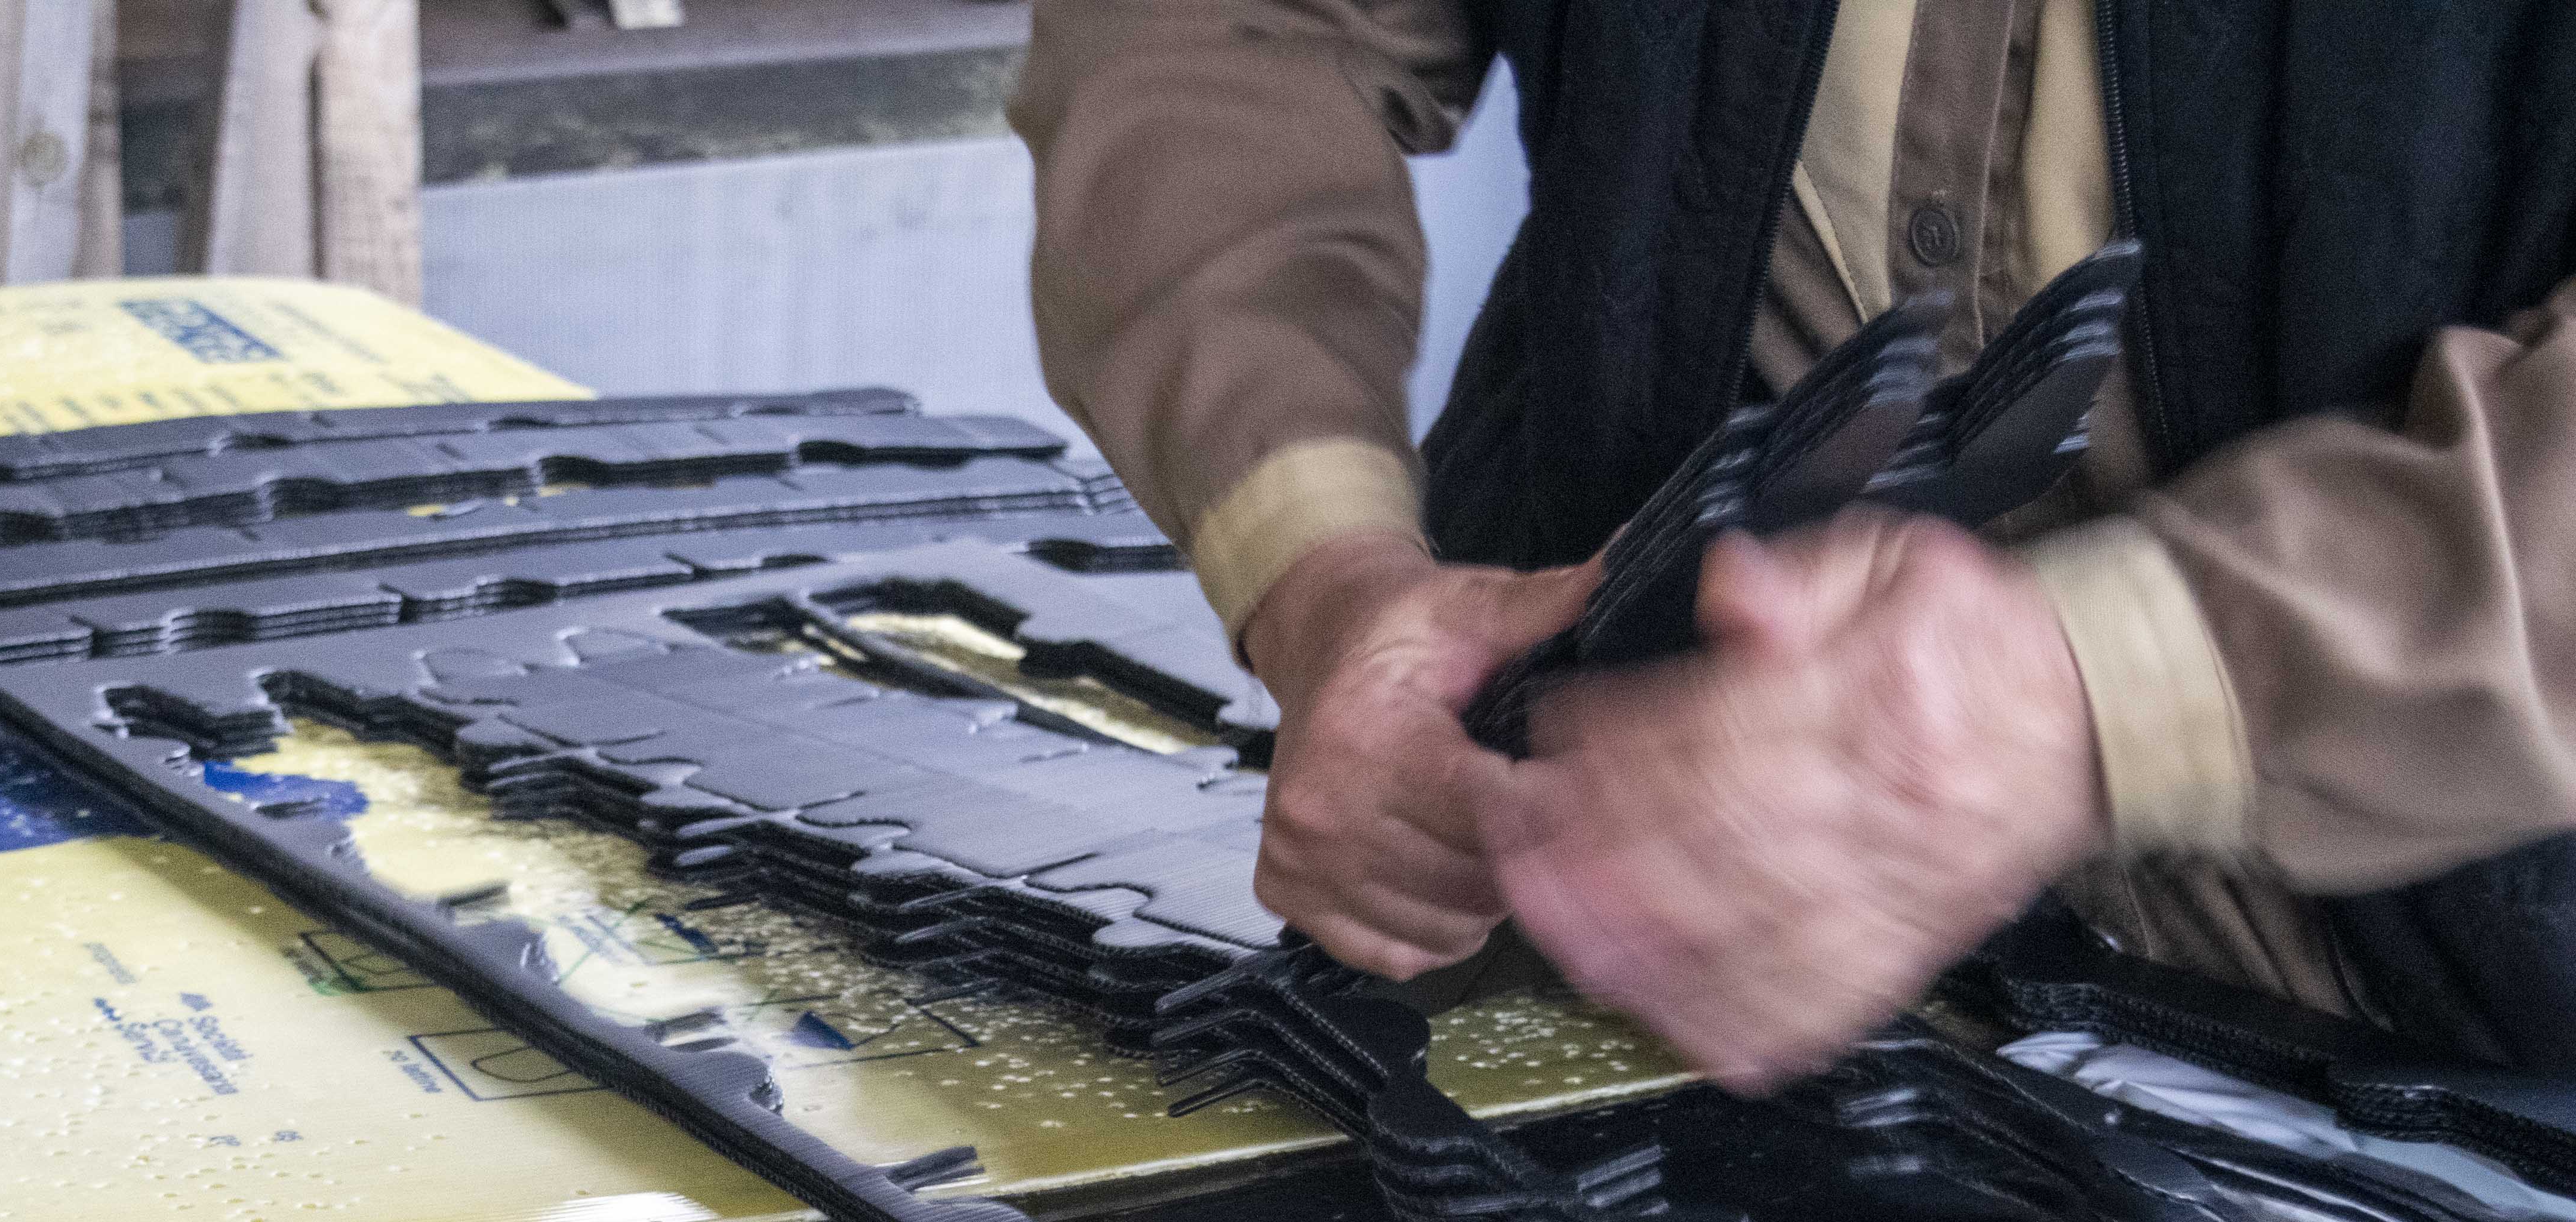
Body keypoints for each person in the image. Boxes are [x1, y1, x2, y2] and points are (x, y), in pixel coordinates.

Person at [1012, 0, 2576, 1086]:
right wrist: (1327, 574)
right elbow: (1229, 29)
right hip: (1585, 933)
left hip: (2433, 1046)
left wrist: (2099, 691)